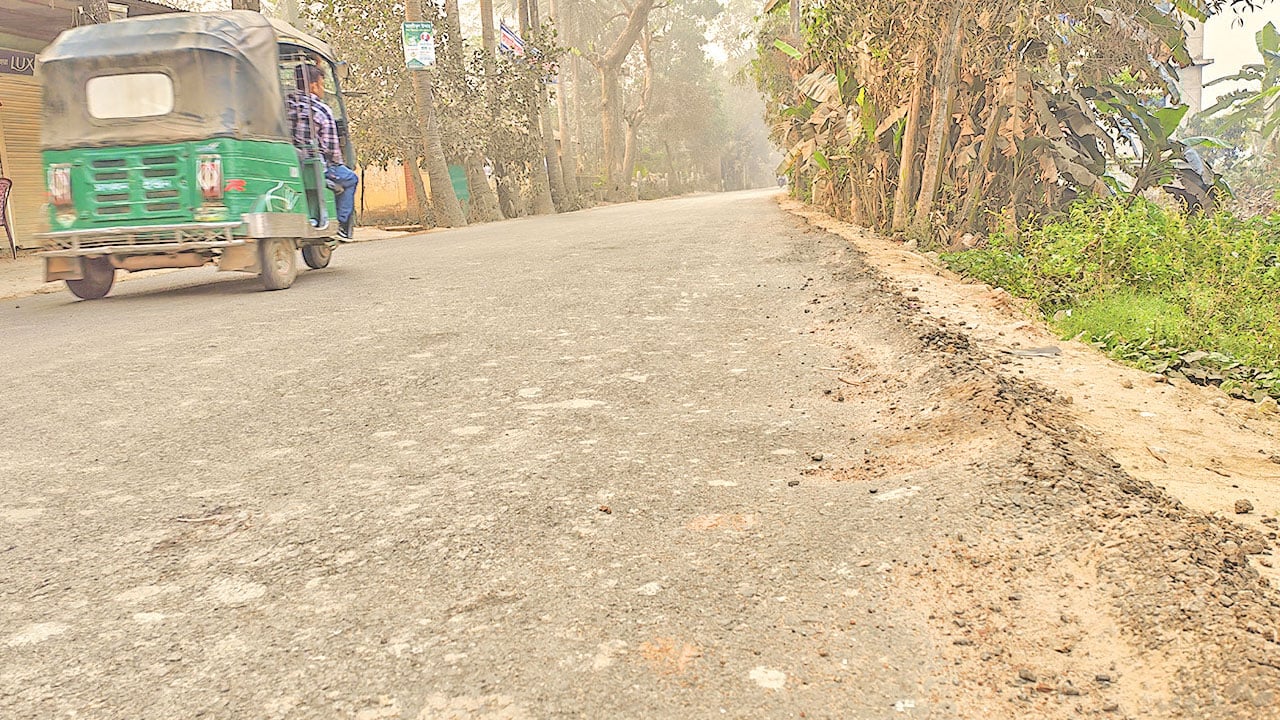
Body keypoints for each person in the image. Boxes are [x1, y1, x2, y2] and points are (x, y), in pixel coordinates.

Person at [287, 63, 358, 240]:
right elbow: (332, 150)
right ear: (313, 85)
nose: (323, 89)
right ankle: (341, 225)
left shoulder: (285, 104)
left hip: (289, 161)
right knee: (351, 178)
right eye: (322, 83)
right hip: (315, 166)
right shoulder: (321, 110)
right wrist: (338, 164)